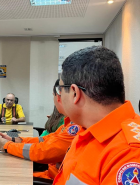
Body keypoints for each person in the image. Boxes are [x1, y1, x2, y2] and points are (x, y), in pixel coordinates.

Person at [53, 46, 140, 184]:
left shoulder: (129, 154)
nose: (60, 96)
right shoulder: (88, 129)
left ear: (75, 93)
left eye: (61, 89)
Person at [0, 80, 83, 180]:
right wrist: (15, 140)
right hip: (51, 173)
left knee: (6, 176)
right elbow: (45, 139)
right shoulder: (69, 123)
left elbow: (44, 151)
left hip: (55, 178)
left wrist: (6, 145)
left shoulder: (75, 128)